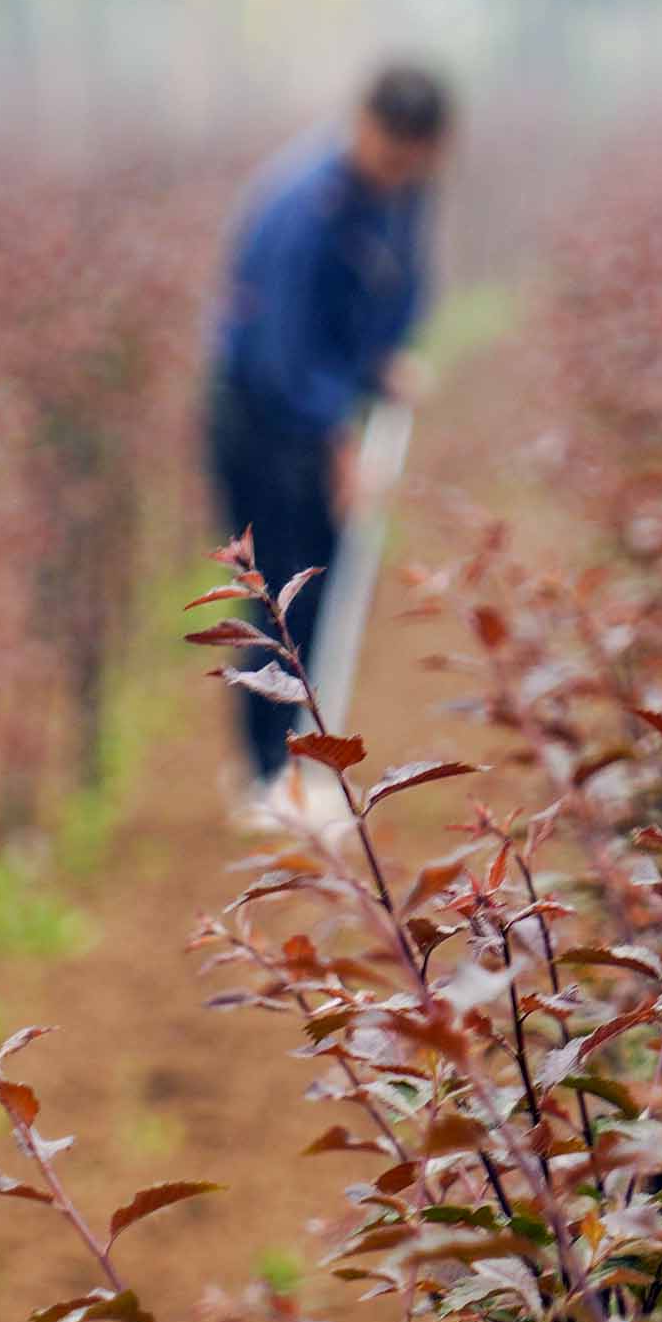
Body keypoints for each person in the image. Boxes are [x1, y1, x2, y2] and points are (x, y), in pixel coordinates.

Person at [208, 60, 450, 806]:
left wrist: (381, 361)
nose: (401, 173)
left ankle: (293, 765)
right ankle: (265, 776)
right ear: (365, 126)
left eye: (416, 161)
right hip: (261, 418)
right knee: (282, 595)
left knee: (326, 581)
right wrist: (335, 439)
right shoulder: (303, 207)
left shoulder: (402, 194)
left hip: (326, 407)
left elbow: (394, 293)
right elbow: (281, 353)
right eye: (392, 155)